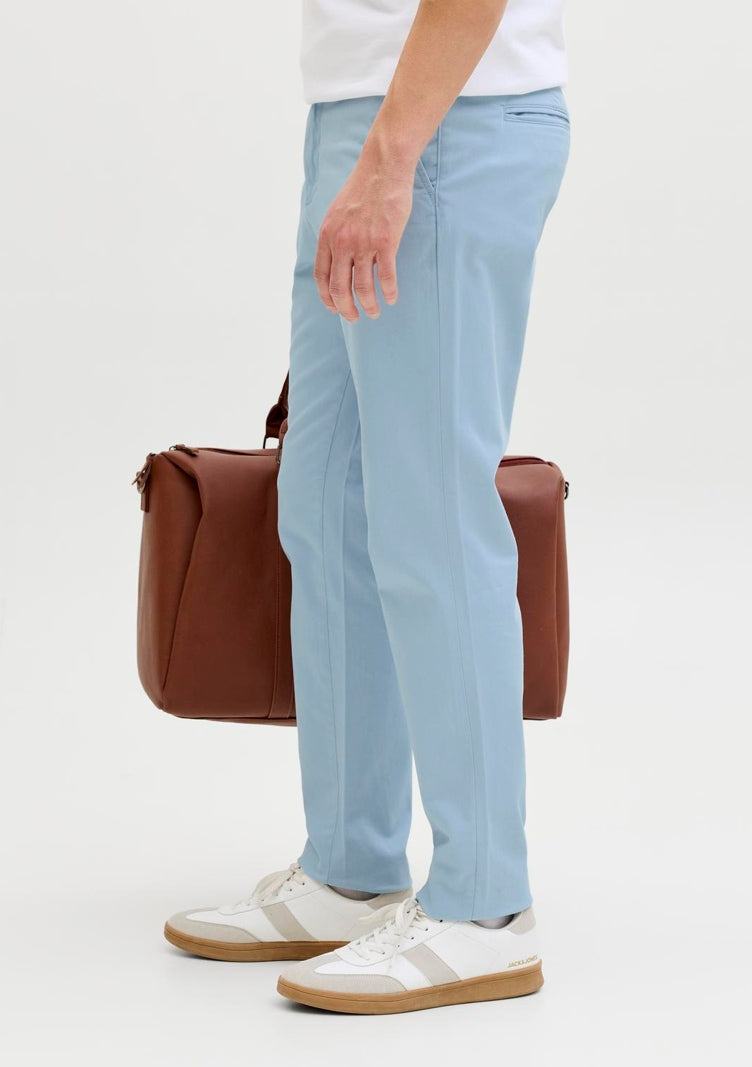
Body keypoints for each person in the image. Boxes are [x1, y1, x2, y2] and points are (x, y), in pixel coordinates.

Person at [165, 0, 569, 1014]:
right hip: (361, 116)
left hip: (442, 122)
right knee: (326, 502)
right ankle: (351, 868)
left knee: (432, 518)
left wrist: (392, 157)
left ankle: (486, 907)